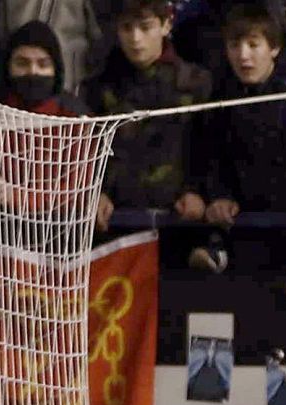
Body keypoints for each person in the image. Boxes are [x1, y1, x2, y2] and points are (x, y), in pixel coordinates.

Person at [192, 3, 286, 298]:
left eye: (253, 44)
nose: (243, 55)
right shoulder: (223, 96)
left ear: (274, 48)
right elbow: (214, 158)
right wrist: (219, 196)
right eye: (235, 45)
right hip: (249, 239)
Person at [82, 0, 213, 235]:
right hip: (115, 224)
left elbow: (208, 149)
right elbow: (90, 151)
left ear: (166, 24)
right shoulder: (99, 87)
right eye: (126, 28)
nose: (135, 38)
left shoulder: (196, 83)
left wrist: (197, 191)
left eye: (145, 27)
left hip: (181, 222)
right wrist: (97, 192)